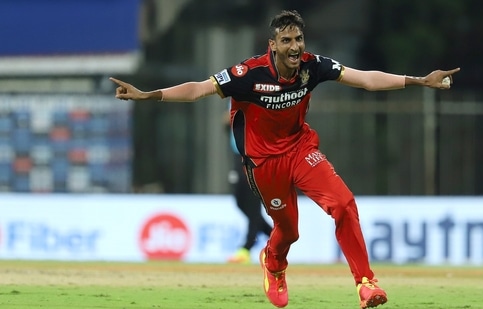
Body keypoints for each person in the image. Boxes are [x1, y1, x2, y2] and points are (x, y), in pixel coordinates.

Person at [110, 9, 460, 309]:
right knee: (289, 230)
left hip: (300, 150)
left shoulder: (313, 67)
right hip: (264, 164)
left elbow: (365, 79)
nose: (295, 47)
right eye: (287, 41)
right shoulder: (248, 74)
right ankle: (274, 264)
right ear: (273, 45)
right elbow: (198, 89)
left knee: (343, 203)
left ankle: (366, 282)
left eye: (299, 39)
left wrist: (419, 81)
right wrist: (148, 95)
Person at [224, 109, 273, 264]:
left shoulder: (253, 94)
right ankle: (275, 235)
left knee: (252, 204)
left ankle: (246, 249)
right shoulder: (231, 95)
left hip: (253, 155)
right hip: (238, 154)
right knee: (240, 201)